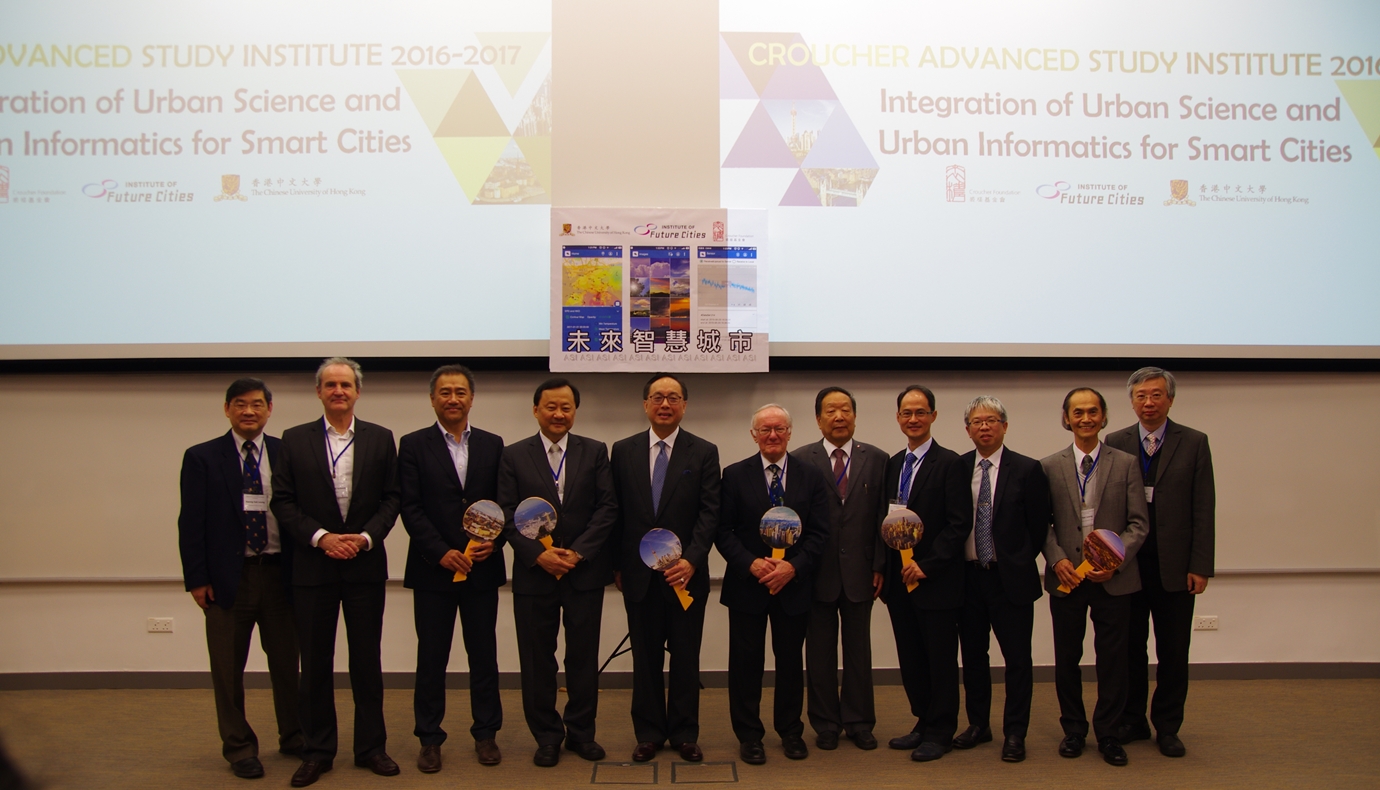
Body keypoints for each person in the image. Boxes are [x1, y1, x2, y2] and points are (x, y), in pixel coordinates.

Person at [271, 358, 401, 787]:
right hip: (313, 567)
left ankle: (371, 748)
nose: (338, 391)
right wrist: (322, 537)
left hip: (364, 565)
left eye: (346, 384)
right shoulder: (293, 440)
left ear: (357, 392)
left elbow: (391, 499)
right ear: (319, 392)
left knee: (367, 661)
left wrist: (364, 538)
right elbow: (284, 502)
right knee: (316, 664)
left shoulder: (381, 439)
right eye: (330, 384)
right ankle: (317, 751)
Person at [178, 377, 302, 780]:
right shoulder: (202, 457)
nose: (249, 411)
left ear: (269, 409)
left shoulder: (288, 453)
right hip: (228, 579)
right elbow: (191, 522)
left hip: (281, 575)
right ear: (227, 409)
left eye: (257, 405)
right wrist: (197, 579)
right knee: (228, 668)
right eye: (240, 404)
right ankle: (239, 747)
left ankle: (293, 735)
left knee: (287, 664)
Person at [497, 378, 618, 768]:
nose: (558, 413)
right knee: (537, 660)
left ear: (574, 412)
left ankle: (582, 733)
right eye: (550, 406)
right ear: (536, 410)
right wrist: (538, 556)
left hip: (583, 573)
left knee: (582, 657)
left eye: (566, 407)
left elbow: (607, 509)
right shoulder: (514, 455)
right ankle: (547, 736)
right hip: (536, 575)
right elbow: (506, 516)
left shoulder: (595, 451)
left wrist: (579, 553)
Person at [398, 364, 506, 773]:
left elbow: (502, 503)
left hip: (481, 569)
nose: (453, 399)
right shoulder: (412, 445)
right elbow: (410, 507)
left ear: (471, 399)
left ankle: (486, 734)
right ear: (432, 399)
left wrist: (491, 543)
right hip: (433, 571)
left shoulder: (494, 445)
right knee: (431, 658)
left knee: (484, 655)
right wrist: (441, 552)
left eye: (461, 392)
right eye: (445, 392)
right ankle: (429, 738)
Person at [610, 374, 720, 764]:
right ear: (645, 405)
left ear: (684, 406)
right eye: (657, 397)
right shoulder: (622, 451)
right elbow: (615, 513)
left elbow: (710, 514)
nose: (665, 404)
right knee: (646, 657)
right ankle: (649, 733)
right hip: (638, 577)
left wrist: (691, 559)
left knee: (687, 657)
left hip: (686, 576)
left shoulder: (704, 451)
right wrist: (615, 566)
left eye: (673, 397)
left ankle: (685, 732)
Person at [1106, 368, 1215, 757]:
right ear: (1132, 401)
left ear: (1170, 399)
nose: (1148, 403)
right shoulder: (1115, 441)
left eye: (1155, 395)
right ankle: (1132, 719)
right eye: (1141, 396)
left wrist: (1200, 565)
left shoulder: (1194, 442)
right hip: (1129, 564)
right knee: (1130, 648)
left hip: (1176, 566)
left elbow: (1204, 508)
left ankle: (1168, 726)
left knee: (1172, 650)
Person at [715, 404, 829, 765]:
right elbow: (722, 530)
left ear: (790, 433)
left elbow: (819, 533)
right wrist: (751, 563)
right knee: (746, 663)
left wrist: (792, 568)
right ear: (754, 435)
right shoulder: (734, 475)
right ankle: (749, 735)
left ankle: (790, 731)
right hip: (748, 585)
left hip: (792, 586)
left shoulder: (811, 476)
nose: (772, 436)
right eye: (765, 430)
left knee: (791, 662)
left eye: (779, 429)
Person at [1041, 387, 1148, 767]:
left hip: (1114, 581)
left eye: (1092, 412)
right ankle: (1073, 730)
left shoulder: (1126, 463)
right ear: (1066, 419)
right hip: (1068, 579)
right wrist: (1056, 561)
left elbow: (1138, 523)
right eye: (1077, 412)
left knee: (1113, 660)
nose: (1085, 418)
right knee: (1067, 659)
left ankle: (1109, 733)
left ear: (1104, 418)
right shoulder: (1048, 466)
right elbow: (1043, 526)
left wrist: (1115, 560)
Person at [952, 396, 1051, 763]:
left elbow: (1038, 527)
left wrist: (1018, 560)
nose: (984, 427)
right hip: (968, 579)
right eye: (976, 422)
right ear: (967, 430)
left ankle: (1015, 732)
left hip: (1010, 580)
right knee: (974, 657)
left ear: (1005, 426)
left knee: (1017, 660)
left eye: (992, 420)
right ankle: (979, 725)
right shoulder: (957, 468)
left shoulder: (1027, 469)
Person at [880, 385, 972, 763]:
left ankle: (941, 730)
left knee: (939, 657)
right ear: (898, 417)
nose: (913, 419)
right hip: (899, 581)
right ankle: (922, 719)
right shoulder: (893, 463)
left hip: (935, 580)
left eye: (920, 412)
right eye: (906, 412)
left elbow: (958, 524)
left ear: (933, 416)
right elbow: (884, 520)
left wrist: (927, 564)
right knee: (911, 656)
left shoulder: (950, 463)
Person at [794, 386, 886, 751]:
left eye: (845, 409)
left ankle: (860, 721)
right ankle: (826, 723)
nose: (839, 417)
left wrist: (880, 564)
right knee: (818, 653)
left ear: (854, 416)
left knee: (859, 651)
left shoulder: (876, 458)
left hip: (862, 571)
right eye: (831, 411)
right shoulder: (801, 459)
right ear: (818, 419)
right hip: (816, 572)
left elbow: (884, 515)